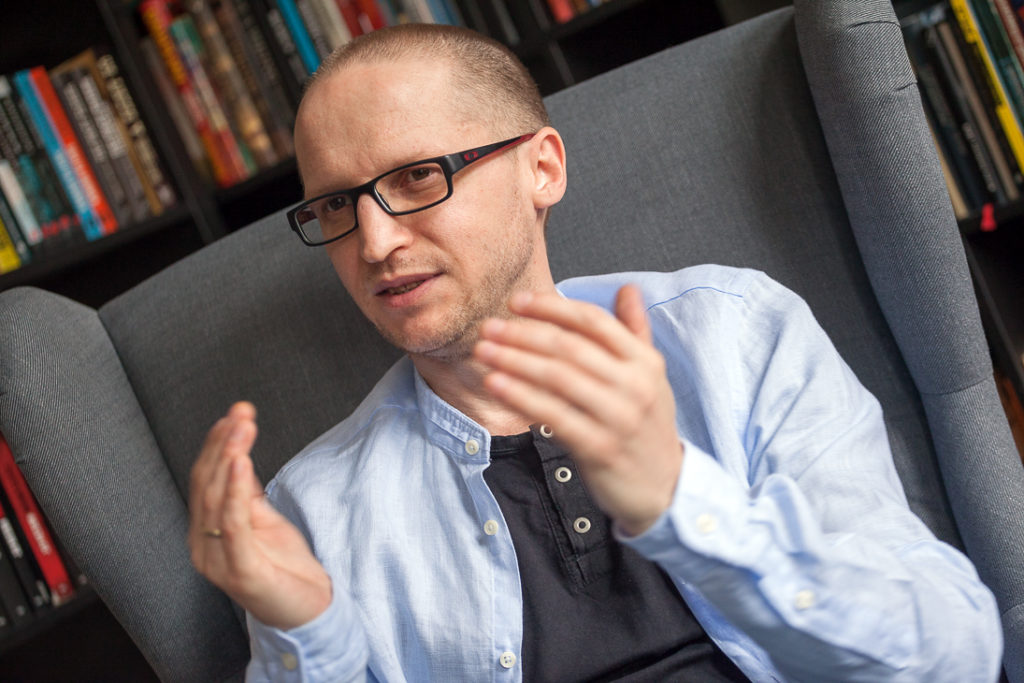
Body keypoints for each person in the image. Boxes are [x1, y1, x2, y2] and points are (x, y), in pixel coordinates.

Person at [188, 23, 1002, 682]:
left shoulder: (735, 334)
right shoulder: (313, 509)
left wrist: (682, 503)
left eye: (417, 177)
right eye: (336, 206)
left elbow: (953, 656)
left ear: (541, 168)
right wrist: (308, 641)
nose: (373, 241)